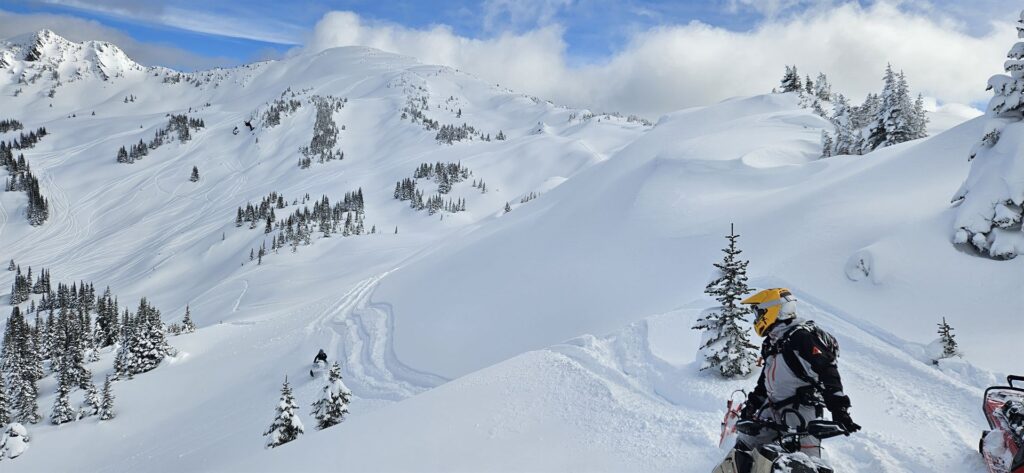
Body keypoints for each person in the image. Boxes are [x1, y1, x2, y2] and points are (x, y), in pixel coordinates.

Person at [734, 288, 860, 461]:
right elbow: (765, 381)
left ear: (772, 310)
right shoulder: (772, 343)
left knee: (803, 463)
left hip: (801, 413)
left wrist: (839, 409)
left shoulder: (801, 337)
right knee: (744, 447)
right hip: (772, 410)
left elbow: (827, 369)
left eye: (759, 312)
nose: (756, 318)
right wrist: (752, 404)